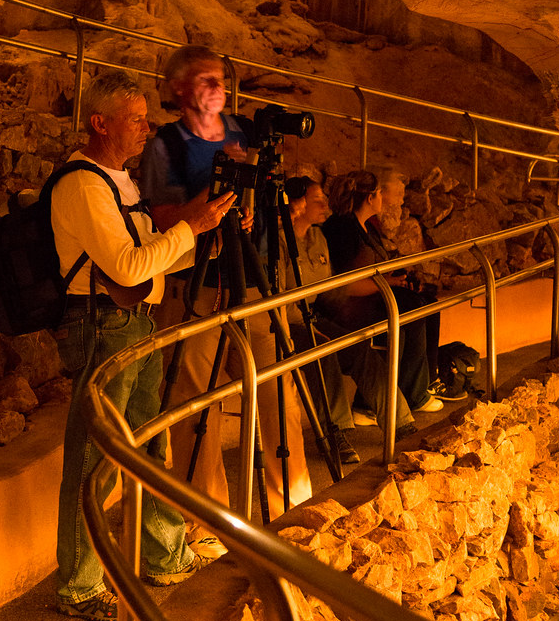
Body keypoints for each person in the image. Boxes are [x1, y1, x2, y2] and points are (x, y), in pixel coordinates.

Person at [51, 69, 236, 621]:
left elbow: (146, 262)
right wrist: (188, 228)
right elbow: (127, 266)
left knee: (151, 446)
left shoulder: (120, 182)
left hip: (133, 320)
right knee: (92, 456)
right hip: (101, 326)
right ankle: (79, 586)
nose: (146, 128)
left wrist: (204, 232)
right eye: (135, 119)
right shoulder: (83, 185)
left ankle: (164, 552)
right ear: (99, 122)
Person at [140, 44, 312, 524]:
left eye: (220, 78)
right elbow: (160, 217)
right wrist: (215, 188)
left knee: (280, 394)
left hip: (253, 280)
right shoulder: (164, 146)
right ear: (178, 88)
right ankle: (207, 522)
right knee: (197, 406)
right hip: (198, 286)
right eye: (205, 79)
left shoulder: (242, 130)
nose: (218, 87)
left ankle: (294, 506)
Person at [279, 176, 416, 446]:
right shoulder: (280, 239)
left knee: (360, 349)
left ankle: (401, 424)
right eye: (317, 199)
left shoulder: (317, 237)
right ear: (298, 204)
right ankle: (335, 434)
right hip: (287, 321)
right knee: (323, 353)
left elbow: (328, 288)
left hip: (313, 316)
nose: (325, 205)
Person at [321, 170, 446, 429]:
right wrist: (388, 282)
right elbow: (344, 283)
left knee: (426, 303)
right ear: (370, 197)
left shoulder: (367, 226)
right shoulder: (342, 228)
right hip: (348, 304)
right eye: (380, 193)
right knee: (405, 311)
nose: (383, 199)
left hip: (372, 294)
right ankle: (373, 401)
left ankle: (419, 385)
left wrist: (394, 278)